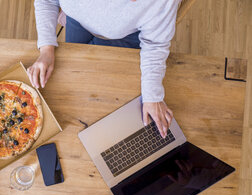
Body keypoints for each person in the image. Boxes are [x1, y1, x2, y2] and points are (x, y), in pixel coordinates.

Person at [27, 0, 181, 138]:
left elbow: (155, 44)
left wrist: (152, 96)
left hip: (129, 33)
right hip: (78, 18)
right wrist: (46, 49)